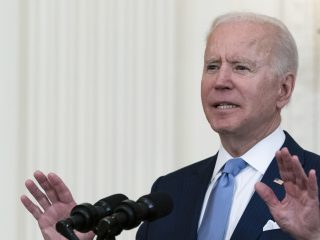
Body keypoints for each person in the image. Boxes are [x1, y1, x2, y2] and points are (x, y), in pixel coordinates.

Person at [21, 12, 320, 240]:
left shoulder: (315, 184)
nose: (220, 81)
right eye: (212, 66)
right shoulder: (169, 192)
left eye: (241, 67)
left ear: (283, 89)